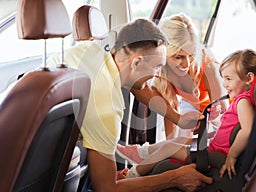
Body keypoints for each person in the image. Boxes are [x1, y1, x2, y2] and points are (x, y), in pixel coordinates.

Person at [47, 18, 212, 191]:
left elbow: (137, 85)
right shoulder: (106, 109)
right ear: (136, 62)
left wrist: (178, 118)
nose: (158, 75)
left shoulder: (90, 51)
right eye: (157, 67)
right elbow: (107, 189)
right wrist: (174, 179)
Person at [117, 49, 256, 180]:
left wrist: (232, 156)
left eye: (229, 79)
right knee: (181, 139)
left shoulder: (242, 102)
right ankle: (142, 153)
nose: (224, 84)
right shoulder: (245, 101)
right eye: (224, 78)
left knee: (170, 148)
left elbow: (247, 130)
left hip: (214, 156)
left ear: (249, 78)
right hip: (212, 148)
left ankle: (132, 175)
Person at [131, 13, 227, 141]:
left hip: (227, 115)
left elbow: (225, 113)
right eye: (178, 57)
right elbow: (171, 117)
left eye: (191, 54)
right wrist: (171, 147)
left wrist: (212, 117)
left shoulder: (209, 69)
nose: (187, 64)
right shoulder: (163, 74)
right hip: (198, 114)